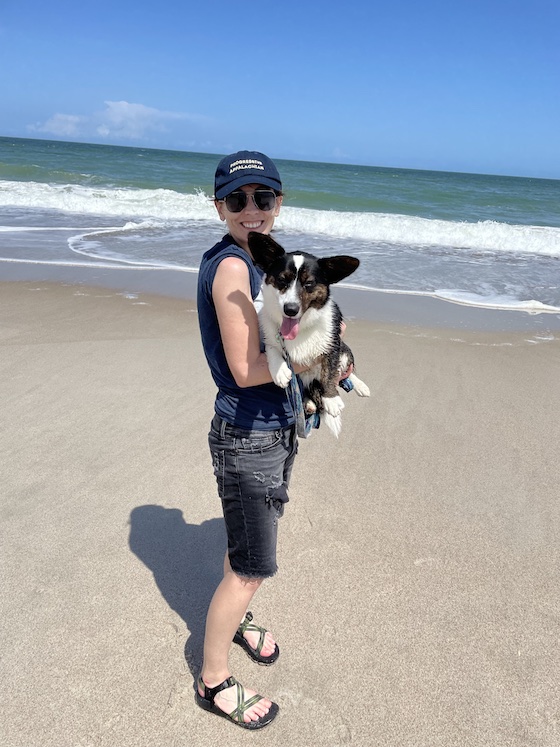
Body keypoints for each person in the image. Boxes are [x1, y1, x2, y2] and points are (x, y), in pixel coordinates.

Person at [196, 151, 308, 729]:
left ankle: (237, 621)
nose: (252, 210)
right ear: (219, 206)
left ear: (278, 203)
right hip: (248, 436)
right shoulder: (235, 268)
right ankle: (213, 680)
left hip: (268, 430)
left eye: (263, 198)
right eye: (237, 200)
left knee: (244, 544)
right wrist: (317, 354)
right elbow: (246, 368)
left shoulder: (256, 260)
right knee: (251, 568)